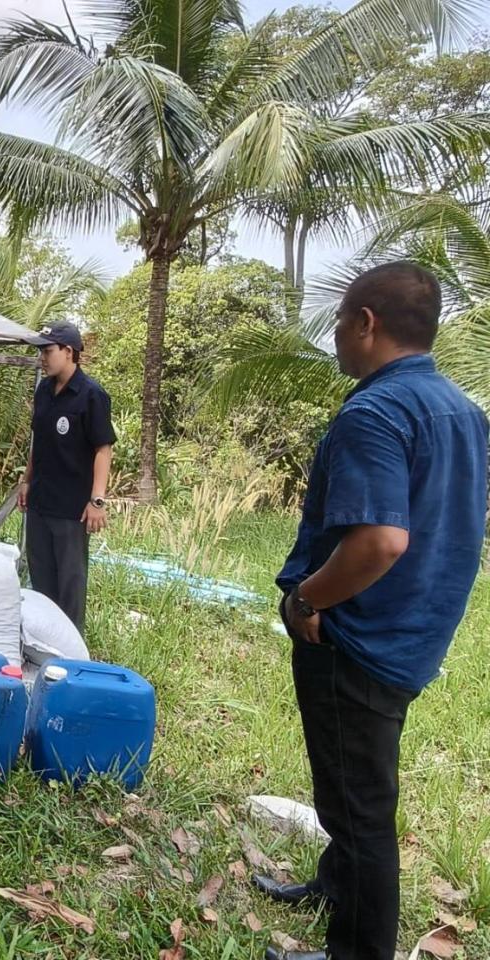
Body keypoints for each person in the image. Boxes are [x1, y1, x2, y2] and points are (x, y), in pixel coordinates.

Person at [259, 262, 488, 960]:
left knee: (359, 810)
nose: (334, 338)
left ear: (367, 323)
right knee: (352, 790)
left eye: (338, 323)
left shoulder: (375, 411)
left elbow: (382, 539)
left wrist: (307, 597)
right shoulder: (463, 411)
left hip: (358, 639)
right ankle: (335, 884)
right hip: (416, 629)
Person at [17, 322, 116, 634]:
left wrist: (97, 500)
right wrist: (27, 480)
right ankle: (41, 642)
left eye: (47, 351)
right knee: (41, 579)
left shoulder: (91, 395)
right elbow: (40, 441)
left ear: (69, 352)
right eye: (41, 351)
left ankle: (71, 651)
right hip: (41, 502)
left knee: (70, 585)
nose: (42, 358)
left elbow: (103, 449)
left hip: (72, 509)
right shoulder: (44, 391)